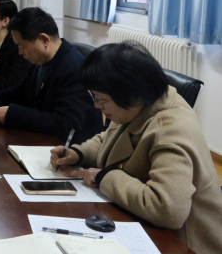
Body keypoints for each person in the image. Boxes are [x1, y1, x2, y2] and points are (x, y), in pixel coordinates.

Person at [51, 42, 222, 254]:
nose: (97, 105)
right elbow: (109, 139)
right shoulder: (136, 105)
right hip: (141, 221)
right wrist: (78, 153)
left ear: (130, 93)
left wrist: (105, 177)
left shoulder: (171, 130)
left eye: (101, 100)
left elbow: (168, 209)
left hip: (182, 242)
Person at [0, 7, 103, 143]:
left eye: (22, 45)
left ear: (44, 40)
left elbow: (66, 123)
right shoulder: (41, 58)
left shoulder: (74, 69)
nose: (20, 52)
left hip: (66, 147)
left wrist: (13, 115)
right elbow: (22, 90)